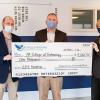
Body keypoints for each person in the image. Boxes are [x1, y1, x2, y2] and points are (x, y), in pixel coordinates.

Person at [35, 13, 67, 100]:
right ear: (46, 21)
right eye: (49, 19)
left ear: (57, 22)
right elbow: (34, 51)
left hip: (57, 72)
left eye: (54, 20)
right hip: (42, 71)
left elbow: (65, 52)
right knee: (42, 96)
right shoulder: (38, 33)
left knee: (57, 96)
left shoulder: (63, 35)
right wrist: (43, 46)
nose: (51, 21)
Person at [0, 16, 21, 100]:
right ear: (3, 24)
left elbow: (21, 55)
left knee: (13, 98)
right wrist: (3, 58)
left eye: (12, 24)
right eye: (8, 23)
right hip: (1, 74)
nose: (10, 25)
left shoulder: (17, 38)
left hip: (13, 75)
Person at [92, 19, 100, 100]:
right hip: (96, 75)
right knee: (95, 96)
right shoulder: (96, 40)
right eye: (98, 26)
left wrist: (97, 50)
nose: (99, 27)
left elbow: (97, 51)